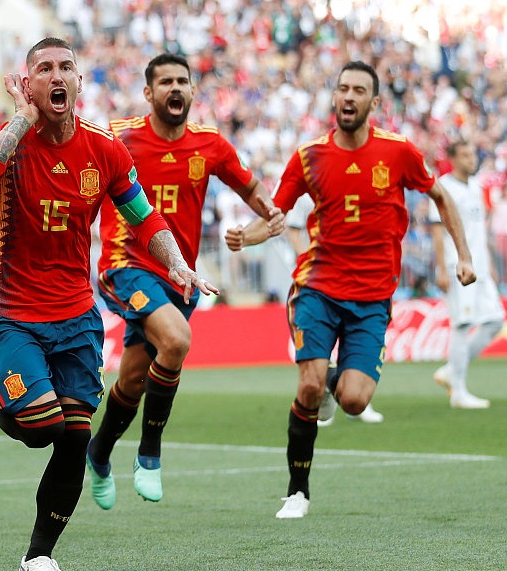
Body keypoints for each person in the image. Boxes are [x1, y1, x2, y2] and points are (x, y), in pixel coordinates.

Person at [0, 38, 214, 571]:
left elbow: (143, 215)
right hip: (11, 309)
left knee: (74, 436)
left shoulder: (104, 148)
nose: (57, 76)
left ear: (78, 81)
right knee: (40, 427)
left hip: (75, 314)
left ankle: (38, 557)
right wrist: (22, 119)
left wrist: (177, 263)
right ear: (29, 84)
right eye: (44, 69)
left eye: (66, 67)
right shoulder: (9, 140)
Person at [225, 61, 476, 519]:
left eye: (359, 90)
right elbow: (275, 215)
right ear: (334, 97)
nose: (348, 96)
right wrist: (247, 235)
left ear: (373, 102)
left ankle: (333, 382)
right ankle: (297, 492)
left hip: (373, 297)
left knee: (356, 400)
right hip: (317, 287)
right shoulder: (309, 156)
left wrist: (464, 256)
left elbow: (441, 197)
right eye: (342, 88)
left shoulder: (398, 151)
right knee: (307, 386)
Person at [86, 53, 284, 510]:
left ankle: (98, 452)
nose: (175, 88)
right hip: (126, 265)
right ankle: (150, 455)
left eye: (182, 81)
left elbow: (251, 188)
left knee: (132, 380)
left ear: (193, 91)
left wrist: (269, 213)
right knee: (176, 340)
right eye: (165, 82)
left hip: (180, 277)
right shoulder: (119, 137)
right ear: (148, 93)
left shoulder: (209, 144)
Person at [284, 194, 385, 425]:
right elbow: (293, 229)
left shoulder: (360, 185)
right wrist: (308, 263)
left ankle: (353, 399)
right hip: (317, 282)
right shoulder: (308, 187)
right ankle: (325, 389)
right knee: (318, 344)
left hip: (356, 278)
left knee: (355, 342)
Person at [429, 141, 505, 409]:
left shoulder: (476, 186)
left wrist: (490, 264)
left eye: (472, 154)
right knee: (462, 325)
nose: (471, 159)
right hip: (458, 266)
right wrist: (441, 268)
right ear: (452, 159)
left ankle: (452, 370)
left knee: (494, 321)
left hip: (481, 267)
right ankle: (459, 392)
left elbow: (479, 229)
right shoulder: (443, 187)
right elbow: (437, 229)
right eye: (465, 155)